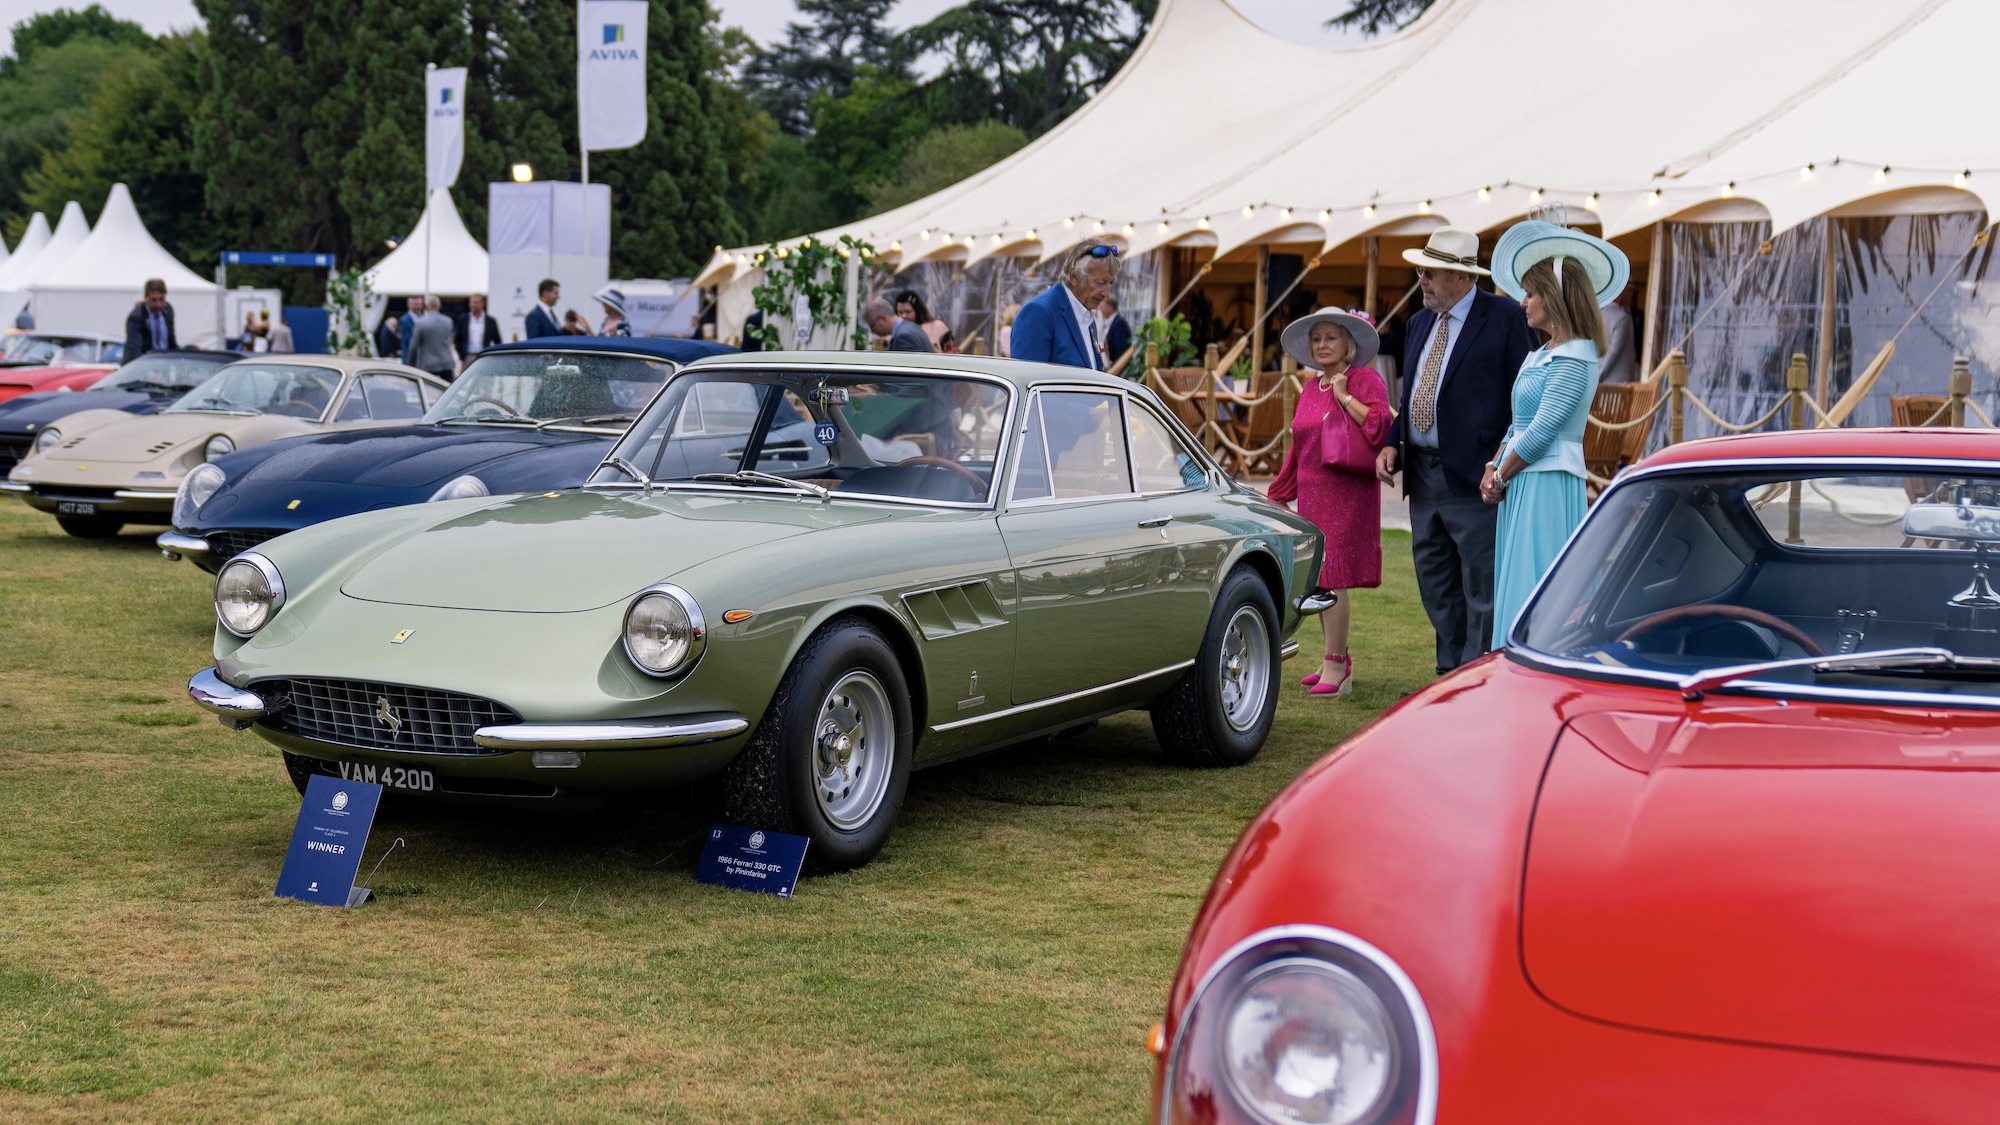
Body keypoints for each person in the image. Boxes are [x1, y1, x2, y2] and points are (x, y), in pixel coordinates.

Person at [1375, 227, 1537, 675]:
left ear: (1462, 277)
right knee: (1435, 581)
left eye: (1430, 272)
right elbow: (1412, 399)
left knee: (1481, 583)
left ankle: (1477, 679)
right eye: (1420, 270)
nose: (1421, 279)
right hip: (1423, 474)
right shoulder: (1419, 322)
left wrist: (1503, 465)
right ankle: (1447, 676)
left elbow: (1523, 399)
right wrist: (1392, 444)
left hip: (1477, 475)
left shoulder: (1505, 317)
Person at [1482, 221, 1627, 648]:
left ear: (1556, 298)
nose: (1523, 302)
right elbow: (1518, 423)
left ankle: (1535, 655)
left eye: (1531, 293)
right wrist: (1494, 466)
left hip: (1546, 480)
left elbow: (1546, 428)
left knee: (1536, 574)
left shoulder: (1577, 355)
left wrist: (1501, 474)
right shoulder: (1543, 352)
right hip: (1525, 477)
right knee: (1518, 572)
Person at [1266, 308, 1392, 696]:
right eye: (1316, 338)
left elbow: (1380, 425)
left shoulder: (1365, 378)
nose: (1322, 344)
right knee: (1320, 575)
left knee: (1333, 575)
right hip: (1314, 493)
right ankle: (1333, 658)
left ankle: (1337, 666)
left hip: (1347, 492)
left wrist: (1344, 396)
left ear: (1348, 344)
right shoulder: (1309, 387)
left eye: (1330, 337)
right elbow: (1301, 446)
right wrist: (1280, 490)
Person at [1011, 241, 1121, 370]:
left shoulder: (1087, 316)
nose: (1107, 293)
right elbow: (1027, 381)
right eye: (1099, 283)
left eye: (1110, 283)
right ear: (1074, 276)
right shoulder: (1038, 313)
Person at [406, 295, 458, 381]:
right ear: (439, 306)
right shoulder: (448, 321)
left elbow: (413, 347)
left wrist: (411, 364)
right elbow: (450, 341)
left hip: (428, 365)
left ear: (426, 307)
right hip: (446, 363)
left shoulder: (421, 323)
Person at [123, 278, 177, 359]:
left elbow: (171, 342)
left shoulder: (167, 311)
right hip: (144, 361)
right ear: (145, 298)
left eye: (161, 299)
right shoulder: (137, 317)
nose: (158, 304)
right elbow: (134, 348)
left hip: (164, 362)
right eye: (154, 300)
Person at [1597, 283, 1639, 383]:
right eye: (1628, 290)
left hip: (1600, 378)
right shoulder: (1622, 317)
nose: (1631, 294)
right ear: (1619, 292)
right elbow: (1614, 351)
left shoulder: (1598, 315)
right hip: (1619, 382)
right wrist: (1600, 374)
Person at [863, 297, 932, 352]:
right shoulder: (911, 327)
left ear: (883, 318)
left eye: (872, 326)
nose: (872, 331)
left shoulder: (904, 337)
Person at [456, 293, 501, 359]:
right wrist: (462, 355)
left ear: (482, 304)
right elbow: (457, 339)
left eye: (475, 303)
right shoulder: (463, 319)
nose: (472, 305)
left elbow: (497, 341)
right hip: (468, 357)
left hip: (484, 357)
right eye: (471, 303)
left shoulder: (490, 321)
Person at [1098, 294, 1132, 370]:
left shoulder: (1119, 323)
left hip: (1116, 368)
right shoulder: (1108, 322)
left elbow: (1121, 349)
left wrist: (1115, 367)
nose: (1100, 309)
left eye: (1102, 306)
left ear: (1110, 308)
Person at [397, 295, 423, 365]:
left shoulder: (424, 318)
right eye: (415, 304)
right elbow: (407, 340)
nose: (418, 307)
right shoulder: (404, 320)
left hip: (422, 359)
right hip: (409, 358)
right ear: (409, 305)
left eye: (419, 304)